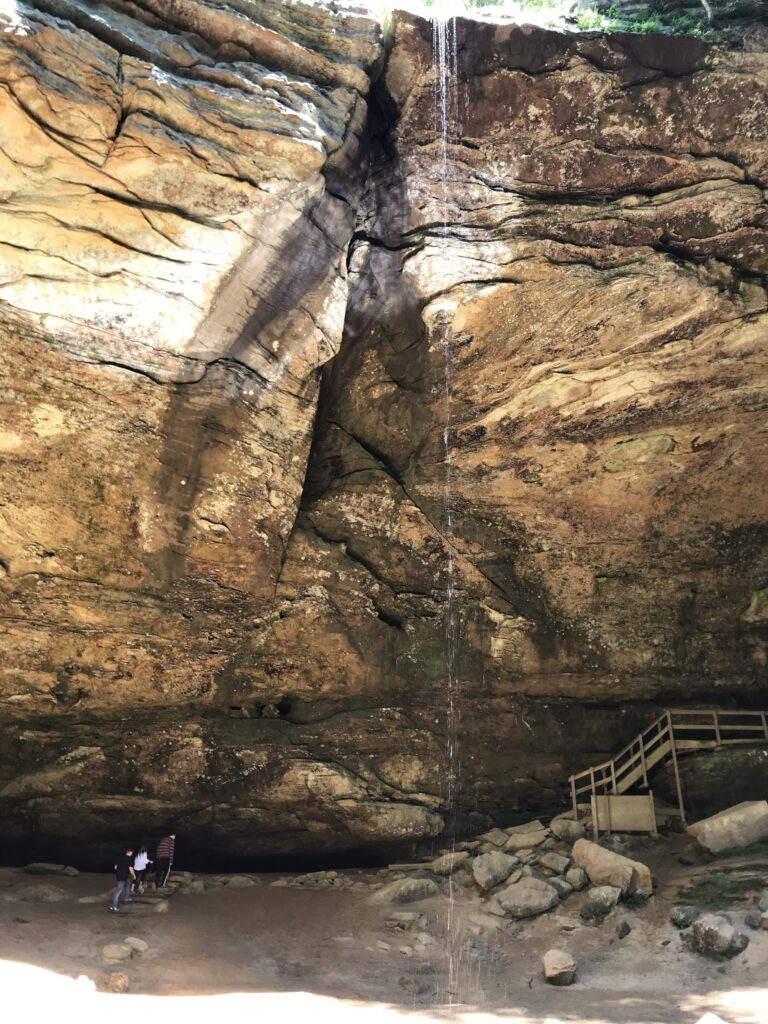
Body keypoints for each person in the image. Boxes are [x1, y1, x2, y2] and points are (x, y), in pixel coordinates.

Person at [109, 846, 135, 912]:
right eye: (132, 853)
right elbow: (131, 869)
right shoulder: (129, 859)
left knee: (128, 884)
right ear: (130, 852)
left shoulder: (120, 858)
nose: (132, 854)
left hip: (120, 876)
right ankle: (113, 906)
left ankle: (127, 898)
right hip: (122, 877)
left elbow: (115, 867)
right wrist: (134, 875)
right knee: (118, 891)